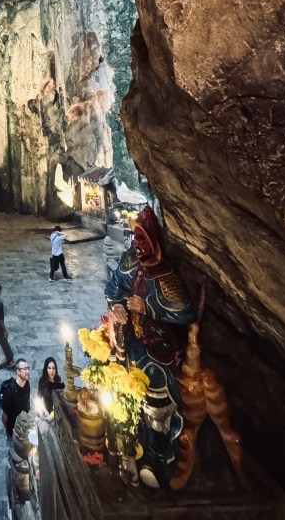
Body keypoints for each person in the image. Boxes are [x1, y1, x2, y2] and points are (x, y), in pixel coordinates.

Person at [105, 204, 196, 487]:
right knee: (114, 368)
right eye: (134, 237)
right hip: (131, 337)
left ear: (154, 241)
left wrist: (149, 307)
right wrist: (119, 307)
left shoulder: (166, 277)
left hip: (157, 347)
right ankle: (123, 437)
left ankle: (158, 453)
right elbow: (113, 289)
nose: (136, 244)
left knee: (155, 393)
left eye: (142, 238)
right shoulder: (130, 264)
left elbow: (185, 312)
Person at [0, 359, 31, 438]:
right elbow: (5, 414)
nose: (27, 371)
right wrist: (8, 430)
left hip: (24, 425)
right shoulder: (9, 391)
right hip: (13, 429)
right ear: (18, 372)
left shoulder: (27, 383)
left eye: (28, 368)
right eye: (24, 369)